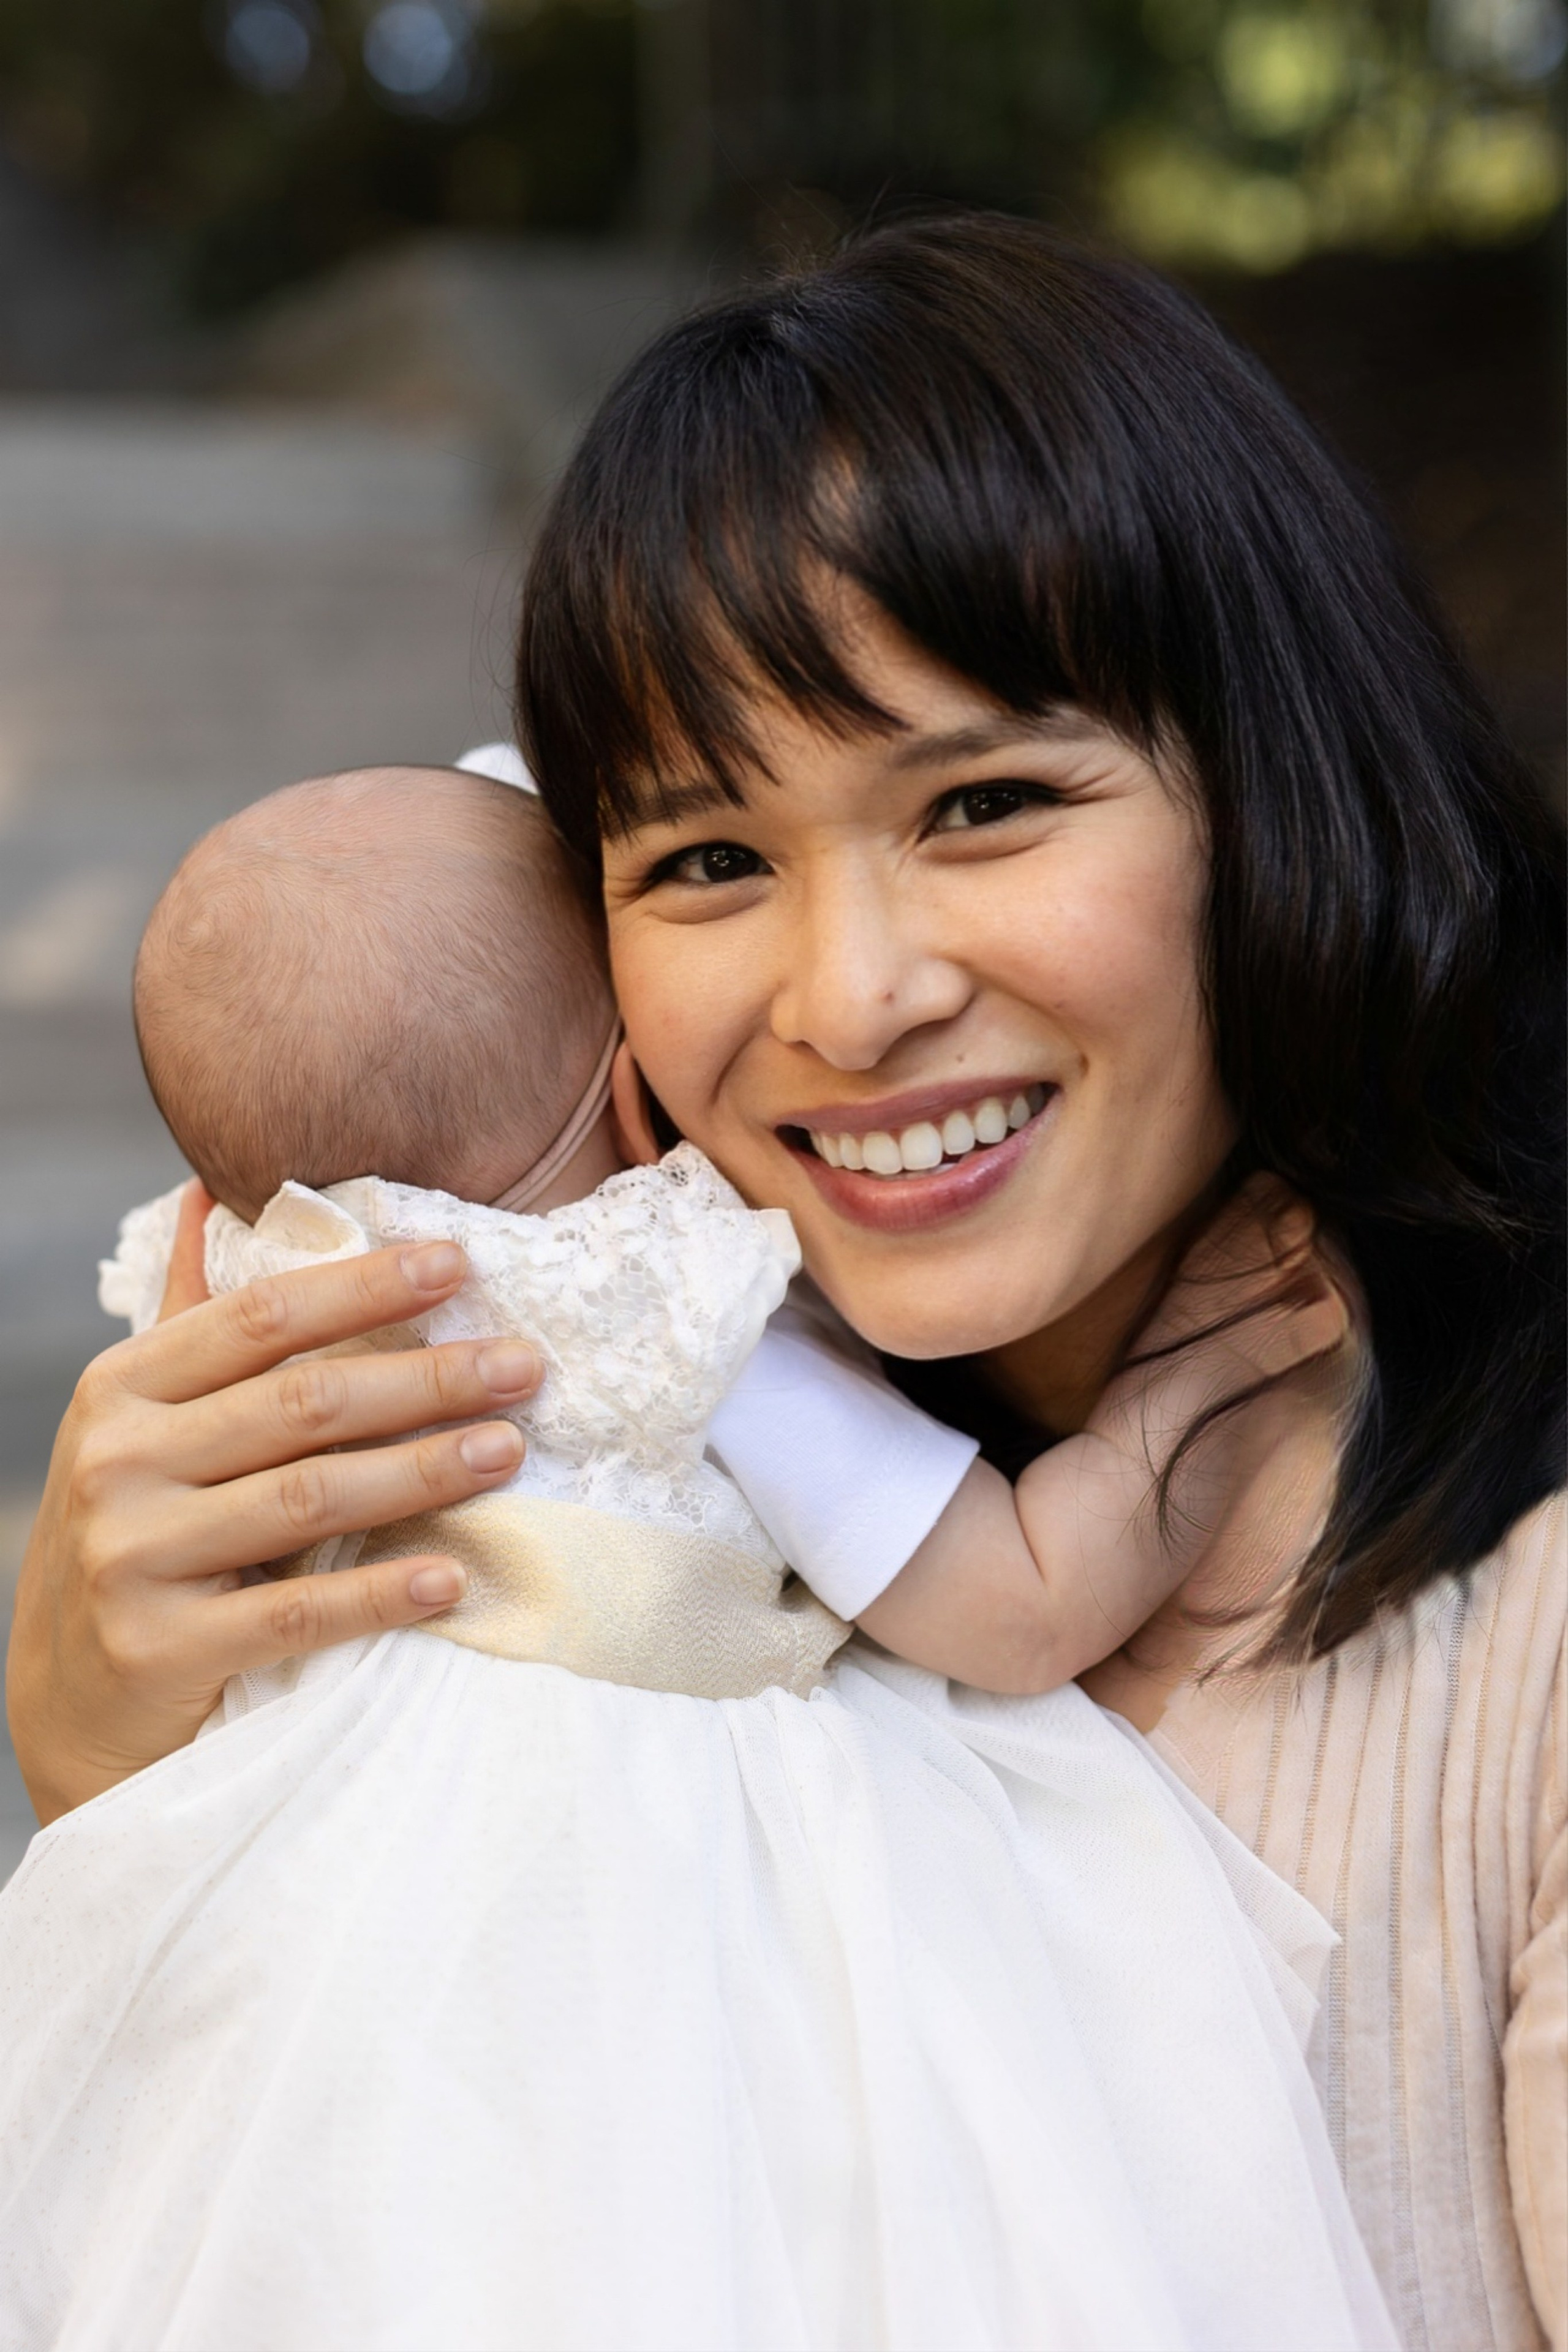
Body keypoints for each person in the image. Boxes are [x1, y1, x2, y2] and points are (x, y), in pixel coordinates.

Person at [7, 216, 1563, 2351]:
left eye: (991, 802)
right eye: (710, 861)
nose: (852, 995)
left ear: (1279, 781)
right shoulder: (602, 1469)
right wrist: (117, 1742)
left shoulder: (1522, 1650)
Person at [0, 766, 1378, 2349]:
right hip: (666, 1921)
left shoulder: (244, 1293)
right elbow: (1017, 1607)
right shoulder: (661, 1306)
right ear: (628, 1081)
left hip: (344, 1974)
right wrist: (1199, 1373)